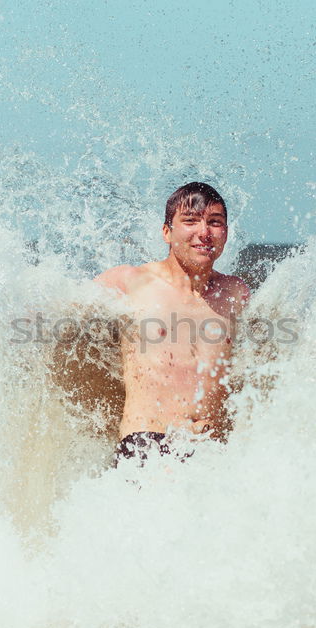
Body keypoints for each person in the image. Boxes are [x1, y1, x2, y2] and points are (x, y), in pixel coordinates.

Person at [95, 182, 250, 466]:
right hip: (147, 445)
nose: (204, 233)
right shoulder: (130, 282)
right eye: (190, 221)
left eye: (215, 223)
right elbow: (61, 309)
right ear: (167, 231)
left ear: (226, 233)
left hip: (213, 452)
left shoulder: (235, 293)